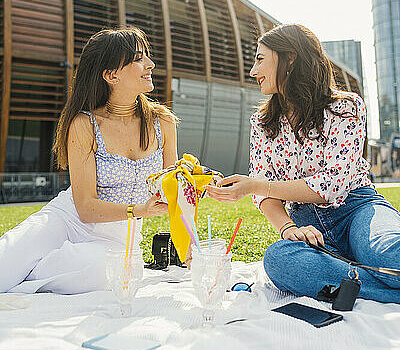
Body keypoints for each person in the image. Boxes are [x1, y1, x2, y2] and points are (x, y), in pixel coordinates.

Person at [205, 24, 400, 304]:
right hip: (307, 224)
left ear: (291, 58)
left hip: (358, 208)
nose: (252, 71)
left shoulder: (345, 107)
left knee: (388, 253)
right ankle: (374, 282)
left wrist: (255, 186)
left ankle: (352, 277)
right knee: (279, 259)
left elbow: (332, 185)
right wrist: (287, 228)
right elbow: (265, 195)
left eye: (260, 59)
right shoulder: (261, 123)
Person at [0, 27, 178, 294]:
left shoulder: (162, 122)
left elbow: (174, 192)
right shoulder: (84, 124)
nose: (150, 64)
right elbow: (85, 208)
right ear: (110, 75)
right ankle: (21, 273)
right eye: (139, 58)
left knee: (101, 269)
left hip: (118, 239)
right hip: (67, 220)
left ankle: (26, 277)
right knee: (5, 263)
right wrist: (141, 209)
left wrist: (194, 185)